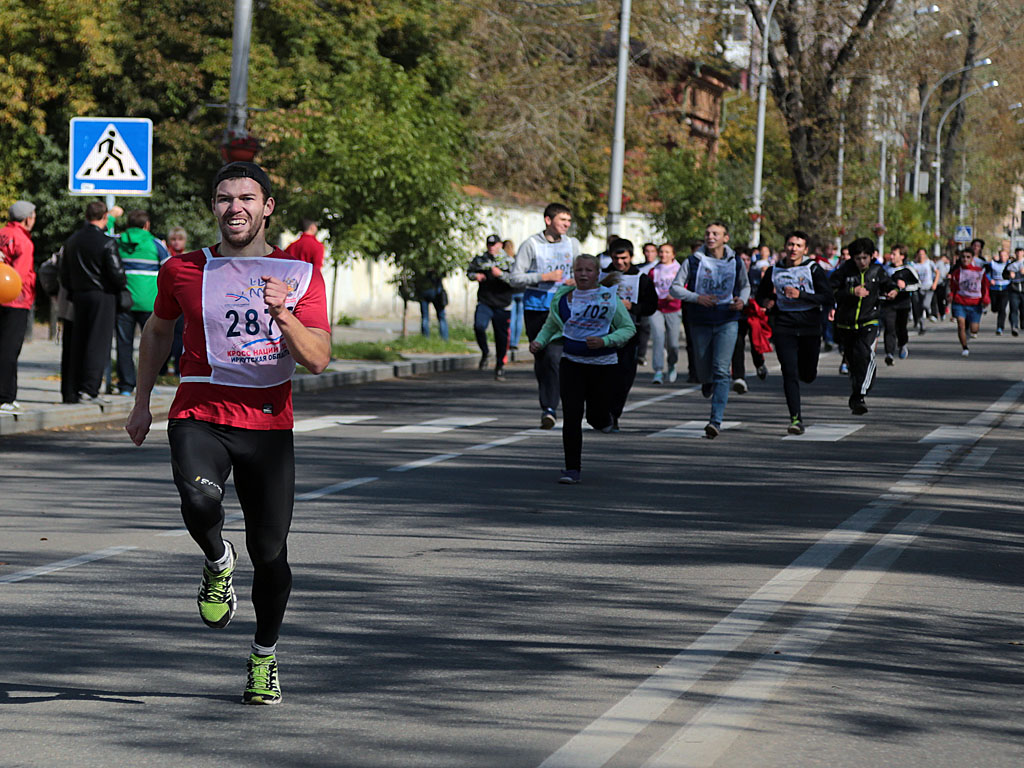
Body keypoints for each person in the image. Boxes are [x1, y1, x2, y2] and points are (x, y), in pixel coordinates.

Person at [125, 161, 331, 705]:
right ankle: (218, 559)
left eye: (246, 198)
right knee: (198, 497)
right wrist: (141, 402)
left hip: (267, 423)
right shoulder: (182, 270)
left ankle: (263, 657)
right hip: (200, 411)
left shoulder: (301, 275)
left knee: (271, 554)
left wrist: (284, 315)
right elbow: (158, 329)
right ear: (212, 207)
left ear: (267, 207)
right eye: (223, 198)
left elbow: (318, 360)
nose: (234, 207)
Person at [529, 254, 634, 484]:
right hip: (572, 363)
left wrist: (605, 341)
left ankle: (604, 419)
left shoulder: (608, 298)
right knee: (572, 416)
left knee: (596, 417)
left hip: (603, 365)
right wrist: (540, 341)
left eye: (588, 270)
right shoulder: (563, 297)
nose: (583, 274)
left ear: (597, 274)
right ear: (573, 273)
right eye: (579, 270)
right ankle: (572, 468)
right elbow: (551, 325)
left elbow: (628, 329)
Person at [670, 221, 750, 438]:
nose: (710, 236)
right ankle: (707, 381)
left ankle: (715, 421)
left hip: (727, 319)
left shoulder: (736, 262)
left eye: (716, 233)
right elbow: (675, 288)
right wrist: (697, 298)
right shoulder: (694, 261)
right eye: (707, 233)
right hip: (701, 321)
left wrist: (741, 301)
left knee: (722, 370)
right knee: (704, 368)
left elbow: (745, 285)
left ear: (726, 238)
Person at [510, 202, 581, 429]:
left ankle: (550, 407)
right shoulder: (531, 245)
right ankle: (547, 403)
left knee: (554, 357)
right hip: (536, 309)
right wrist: (543, 276)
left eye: (569, 221)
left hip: (563, 308)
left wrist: (576, 280)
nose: (567, 225)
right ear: (548, 221)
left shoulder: (572, 244)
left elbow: (582, 271)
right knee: (542, 359)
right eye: (562, 220)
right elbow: (515, 278)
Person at [755, 230, 833, 434]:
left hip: (809, 325)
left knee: (807, 374)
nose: (793, 249)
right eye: (790, 244)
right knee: (789, 372)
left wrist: (802, 295)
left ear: (805, 250)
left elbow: (827, 297)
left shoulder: (812, 269)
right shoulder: (774, 270)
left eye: (798, 246)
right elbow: (760, 295)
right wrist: (767, 302)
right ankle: (795, 419)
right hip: (784, 325)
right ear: (785, 246)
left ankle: (807, 373)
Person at [60, 200, 126, 403]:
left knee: (78, 341)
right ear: (105, 217)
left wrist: (73, 289)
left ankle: (75, 388)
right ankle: (90, 388)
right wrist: (121, 286)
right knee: (99, 343)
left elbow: (64, 273)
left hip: (79, 296)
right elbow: (117, 274)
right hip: (103, 296)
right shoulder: (107, 242)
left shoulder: (72, 240)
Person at [829, 237, 897, 414]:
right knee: (854, 361)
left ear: (871, 256)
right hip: (846, 323)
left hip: (869, 320)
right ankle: (856, 391)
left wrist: (894, 290)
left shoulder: (877, 270)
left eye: (865, 257)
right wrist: (852, 291)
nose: (862, 262)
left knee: (866, 356)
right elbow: (831, 290)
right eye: (858, 258)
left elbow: (888, 284)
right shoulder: (844, 271)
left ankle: (859, 395)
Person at [602, 238, 656, 430]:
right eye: (616, 258)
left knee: (624, 378)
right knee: (603, 376)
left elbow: (651, 306)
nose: (620, 262)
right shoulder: (601, 275)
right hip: (604, 333)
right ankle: (603, 413)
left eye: (624, 258)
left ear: (631, 257)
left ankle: (614, 413)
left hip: (631, 335)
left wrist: (632, 306)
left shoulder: (641, 277)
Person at [115, 210, 171, 395]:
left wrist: (110, 217)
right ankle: (149, 385)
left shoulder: (117, 241)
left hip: (124, 301)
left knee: (124, 344)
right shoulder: (155, 244)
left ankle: (125, 385)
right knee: (151, 344)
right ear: (146, 225)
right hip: (150, 302)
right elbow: (170, 269)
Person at [0, 201, 37, 412]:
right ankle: (6, 396)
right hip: (16, 300)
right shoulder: (23, 240)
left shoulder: (2, 233)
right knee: (10, 349)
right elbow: (20, 275)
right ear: (27, 218)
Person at [468, 234, 514, 380]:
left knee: (501, 337)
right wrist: (476, 276)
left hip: (503, 304)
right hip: (485, 301)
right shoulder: (481, 260)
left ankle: (500, 365)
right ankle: (485, 351)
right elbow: (469, 272)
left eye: (494, 244)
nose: (491, 247)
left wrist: (501, 274)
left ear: (500, 245)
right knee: (479, 326)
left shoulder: (509, 261)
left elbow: (516, 280)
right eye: (489, 244)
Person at [880, 245, 919, 365]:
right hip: (888, 303)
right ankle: (889, 354)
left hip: (903, 303)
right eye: (891, 254)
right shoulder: (885, 269)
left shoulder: (908, 269)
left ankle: (902, 344)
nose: (891, 256)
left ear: (902, 256)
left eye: (894, 254)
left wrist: (905, 286)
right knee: (889, 327)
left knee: (901, 327)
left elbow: (917, 285)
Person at [649, 243, 682, 385]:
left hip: (674, 308)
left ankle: (672, 364)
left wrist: (674, 295)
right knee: (658, 337)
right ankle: (658, 370)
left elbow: (684, 286)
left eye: (667, 252)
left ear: (673, 254)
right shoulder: (653, 271)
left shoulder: (679, 270)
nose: (663, 255)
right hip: (656, 309)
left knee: (673, 343)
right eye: (661, 252)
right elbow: (648, 288)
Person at [949, 247, 990, 357]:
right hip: (960, 302)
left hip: (975, 304)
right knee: (960, 325)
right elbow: (953, 288)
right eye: (963, 257)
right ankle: (965, 347)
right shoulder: (957, 273)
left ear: (972, 258)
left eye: (968, 257)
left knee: (974, 329)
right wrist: (951, 296)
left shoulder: (979, 271)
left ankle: (970, 329)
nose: (965, 259)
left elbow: (985, 287)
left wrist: (986, 299)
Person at [163, 226, 188, 375]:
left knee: (180, 336)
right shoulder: (165, 257)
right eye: (173, 239)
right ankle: (162, 369)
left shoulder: (189, 258)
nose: (177, 243)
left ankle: (179, 368)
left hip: (182, 304)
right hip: (168, 300)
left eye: (180, 239)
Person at [635, 242, 658, 365]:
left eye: (652, 251)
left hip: (661, 303)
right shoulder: (638, 268)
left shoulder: (660, 267)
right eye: (647, 251)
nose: (649, 254)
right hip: (643, 301)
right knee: (643, 327)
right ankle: (640, 354)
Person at [504, 239, 525, 356]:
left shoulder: (505, 261)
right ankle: (515, 342)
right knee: (519, 318)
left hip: (511, 291)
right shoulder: (518, 258)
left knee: (511, 318)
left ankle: (510, 341)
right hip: (522, 290)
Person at [415, 269, 449, 340]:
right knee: (441, 317)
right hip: (436, 291)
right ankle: (444, 339)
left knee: (425, 317)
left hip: (424, 291)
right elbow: (444, 274)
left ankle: (425, 338)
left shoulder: (420, 263)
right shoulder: (437, 262)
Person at [910, 248, 936, 333]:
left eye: (923, 254)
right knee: (918, 308)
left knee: (925, 305)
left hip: (928, 288)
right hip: (918, 288)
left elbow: (937, 272)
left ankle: (930, 314)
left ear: (925, 255)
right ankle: (922, 326)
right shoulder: (914, 264)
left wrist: (935, 283)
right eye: (919, 254)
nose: (921, 256)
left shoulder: (929, 263)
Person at [987, 248, 1010, 334]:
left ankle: (1000, 327)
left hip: (1005, 289)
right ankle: (994, 308)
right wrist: (990, 279)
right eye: (1001, 255)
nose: (1003, 257)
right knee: (994, 308)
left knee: (1002, 309)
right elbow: (986, 273)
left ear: (1008, 256)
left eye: (1004, 255)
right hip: (994, 288)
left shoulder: (1010, 265)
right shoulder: (993, 264)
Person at [1006, 247, 1024, 336]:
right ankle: (1014, 326)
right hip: (1014, 289)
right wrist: (1010, 274)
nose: (1019, 254)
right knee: (1014, 308)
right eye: (1017, 252)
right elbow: (1004, 274)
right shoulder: (1011, 264)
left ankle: (1022, 324)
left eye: (1020, 252)